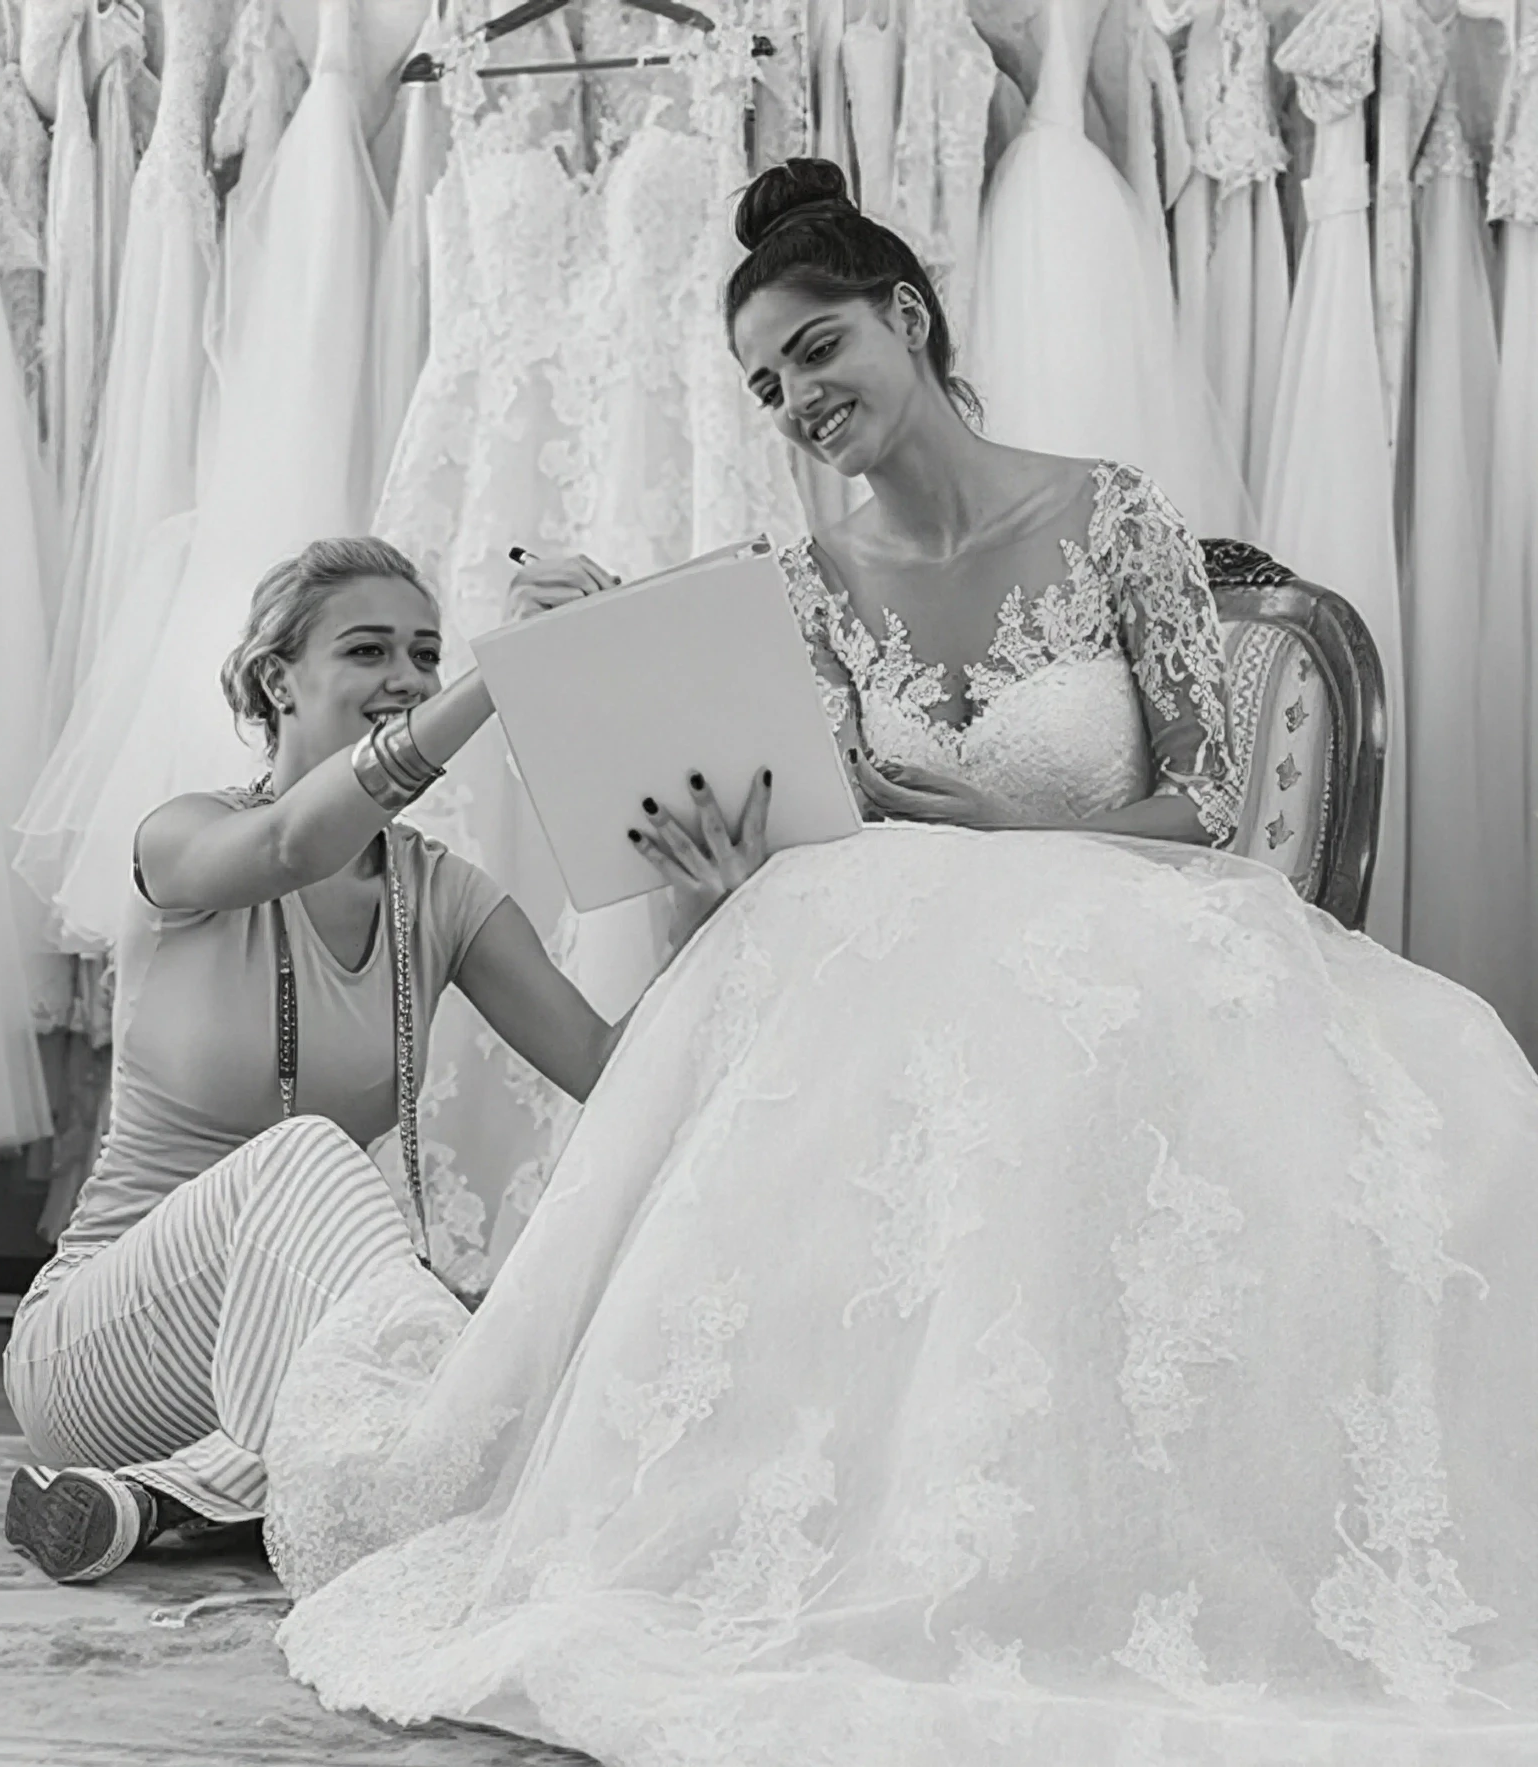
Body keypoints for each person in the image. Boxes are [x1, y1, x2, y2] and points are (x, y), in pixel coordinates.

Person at [261, 163, 1538, 1764]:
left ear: (907, 318)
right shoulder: (802, 581)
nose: (796, 398)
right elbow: (804, 808)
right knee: (801, 955)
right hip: (904, 952)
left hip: (1131, 935)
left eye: (816, 350)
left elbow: (1214, 800)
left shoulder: (1111, 510)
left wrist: (1009, 814)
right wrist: (714, 848)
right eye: (766, 382)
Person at [0, 536, 765, 1585]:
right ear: (278, 679)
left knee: (505, 1323)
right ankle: (379, 1471)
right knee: (312, 1157)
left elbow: (606, 1064)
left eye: (424, 653)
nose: (404, 678)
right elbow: (288, 848)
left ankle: (170, 1494)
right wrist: (498, 673)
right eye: (368, 652)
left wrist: (705, 910)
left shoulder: (442, 894)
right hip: (98, 1351)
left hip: (268, 1360)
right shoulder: (181, 837)